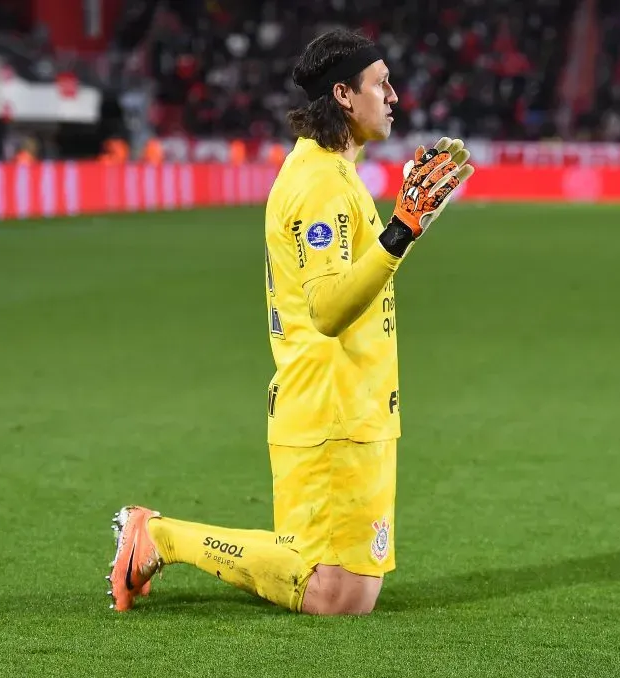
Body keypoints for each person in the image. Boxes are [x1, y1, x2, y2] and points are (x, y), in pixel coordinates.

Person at [105, 28, 474, 616]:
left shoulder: (335, 173)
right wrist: (401, 228)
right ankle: (160, 537)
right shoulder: (317, 183)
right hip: (328, 408)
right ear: (344, 96)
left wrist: (402, 228)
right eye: (381, 84)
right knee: (336, 593)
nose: (395, 96)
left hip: (360, 402)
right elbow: (327, 309)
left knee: (350, 590)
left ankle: (160, 538)